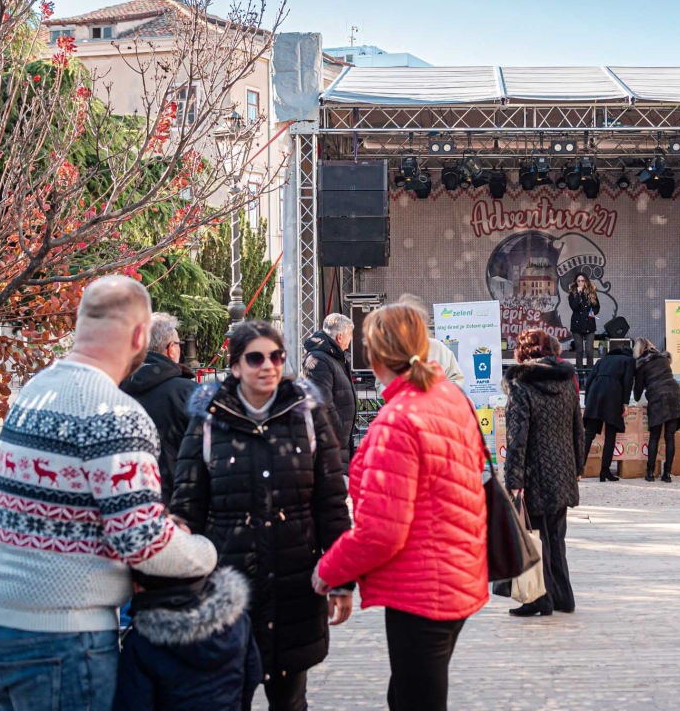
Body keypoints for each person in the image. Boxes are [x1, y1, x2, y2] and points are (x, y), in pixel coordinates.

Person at [0, 276, 217, 711]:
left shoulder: (34, 391)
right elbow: (144, 543)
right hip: (62, 634)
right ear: (141, 337)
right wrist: (206, 551)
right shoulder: (115, 413)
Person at [171, 321, 353, 711]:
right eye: (255, 358)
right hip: (228, 588)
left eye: (276, 356)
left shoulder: (308, 416)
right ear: (236, 365)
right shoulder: (209, 420)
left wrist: (341, 578)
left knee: (290, 702)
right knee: (227, 699)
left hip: (295, 586)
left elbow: (331, 504)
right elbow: (187, 505)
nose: (268, 366)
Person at [314, 304, 488, 711]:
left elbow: (380, 532)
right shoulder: (449, 397)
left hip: (420, 587)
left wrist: (329, 571)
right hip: (456, 572)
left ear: (375, 355)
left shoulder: (398, 420)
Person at [503, 328, 585, 617]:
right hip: (563, 470)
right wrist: (578, 467)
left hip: (534, 473)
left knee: (534, 537)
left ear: (523, 353)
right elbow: (578, 428)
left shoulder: (521, 385)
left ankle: (540, 599)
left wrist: (514, 480)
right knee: (556, 537)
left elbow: (517, 438)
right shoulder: (567, 382)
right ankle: (563, 597)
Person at [113, 566, 262, 711]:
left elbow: (134, 703)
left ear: (138, 587)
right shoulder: (237, 619)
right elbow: (253, 673)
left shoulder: (141, 641)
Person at [121, 311, 198, 505]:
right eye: (178, 344)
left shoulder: (115, 388)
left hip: (127, 500)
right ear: (171, 349)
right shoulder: (188, 393)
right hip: (177, 503)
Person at [633, 338, 680, 483]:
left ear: (638, 349)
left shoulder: (641, 364)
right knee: (670, 436)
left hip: (657, 396)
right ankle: (667, 474)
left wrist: (636, 396)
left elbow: (638, 390)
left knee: (654, 436)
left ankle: (650, 473)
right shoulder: (663, 359)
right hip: (674, 393)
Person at [302, 313, 357, 469]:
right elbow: (322, 404)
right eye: (350, 334)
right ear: (340, 337)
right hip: (330, 447)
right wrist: (338, 434)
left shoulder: (335, 358)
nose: (351, 339)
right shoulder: (318, 360)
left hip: (339, 446)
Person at [582, 345, 635, 482]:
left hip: (595, 394)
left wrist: (588, 401)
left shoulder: (602, 360)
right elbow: (628, 382)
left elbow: (589, 380)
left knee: (589, 434)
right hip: (613, 395)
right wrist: (625, 403)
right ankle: (604, 471)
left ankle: (578, 470)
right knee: (610, 436)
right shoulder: (628, 361)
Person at [397, 293, 466, 386]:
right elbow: (381, 384)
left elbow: (456, 378)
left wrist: (438, 391)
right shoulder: (390, 350)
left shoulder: (438, 348)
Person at [568, 273, 601, 369]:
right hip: (577, 325)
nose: (580, 283)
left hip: (589, 324)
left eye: (582, 280)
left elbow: (597, 307)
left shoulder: (592, 293)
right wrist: (578, 294)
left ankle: (590, 373)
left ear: (586, 281)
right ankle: (580, 375)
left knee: (589, 351)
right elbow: (574, 307)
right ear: (576, 282)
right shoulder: (572, 293)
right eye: (578, 281)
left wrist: (592, 312)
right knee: (579, 351)